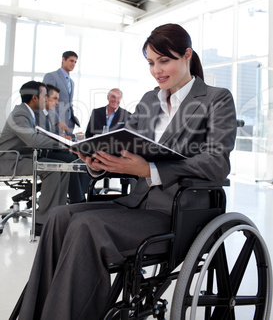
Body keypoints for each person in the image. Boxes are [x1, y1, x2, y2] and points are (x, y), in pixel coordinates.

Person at [17, 24, 237, 320]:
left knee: (87, 227)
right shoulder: (149, 100)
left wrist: (149, 169)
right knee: (58, 217)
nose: (156, 70)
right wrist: (96, 161)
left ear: (187, 56)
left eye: (164, 60)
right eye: (150, 63)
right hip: (137, 203)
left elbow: (217, 163)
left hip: (180, 211)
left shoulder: (215, 98)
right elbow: (124, 146)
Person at [0, 81, 70, 234]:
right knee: (52, 170)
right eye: (44, 96)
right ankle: (42, 222)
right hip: (9, 161)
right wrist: (61, 143)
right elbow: (32, 139)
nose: (46, 99)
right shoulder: (20, 114)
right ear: (34, 98)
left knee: (63, 167)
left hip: (20, 158)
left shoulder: (27, 113)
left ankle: (57, 216)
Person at [35, 84, 90, 204]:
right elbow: (40, 138)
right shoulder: (38, 115)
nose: (57, 102)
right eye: (54, 98)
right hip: (45, 152)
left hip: (52, 149)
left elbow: (52, 136)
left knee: (79, 157)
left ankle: (83, 194)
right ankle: (78, 200)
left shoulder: (48, 115)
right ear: (45, 98)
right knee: (71, 161)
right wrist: (61, 140)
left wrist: (64, 139)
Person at [43, 51, 80, 135]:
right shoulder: (51, 76)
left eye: (75, 62)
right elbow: (47, 100)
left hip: (69, 123)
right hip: (56, 122)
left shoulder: (72, 82)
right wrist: (57, 121)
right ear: (63, 59)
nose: (73, 64)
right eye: (71, 60)